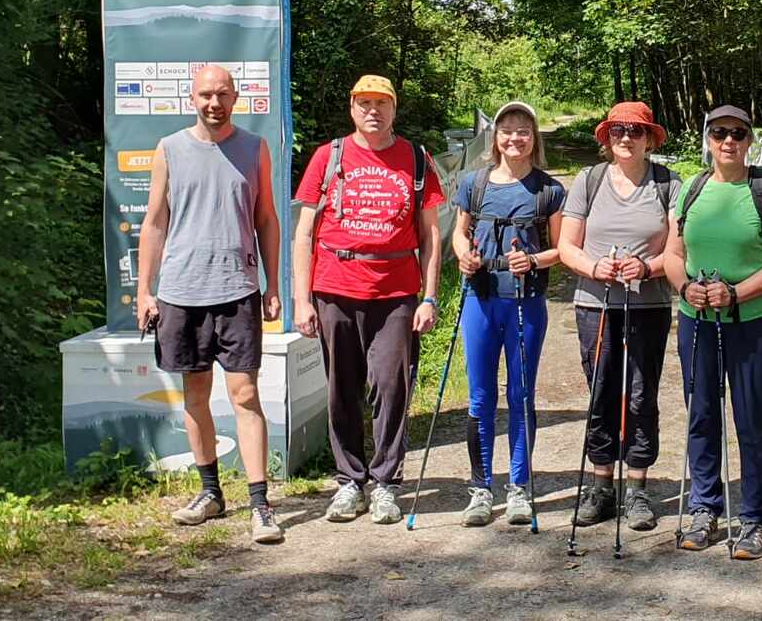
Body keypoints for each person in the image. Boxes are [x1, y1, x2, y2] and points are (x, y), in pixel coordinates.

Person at [134, 65, 284, 545]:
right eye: (205, 94)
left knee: (245, 396)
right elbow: (155, 221)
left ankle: (260, 505)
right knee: (195, 396)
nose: (214, 102)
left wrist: (273, 284)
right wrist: (144, 289)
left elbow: (266, 218)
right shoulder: (169, 149)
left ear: (236, 97)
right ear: (191, 98)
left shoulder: (254, 148)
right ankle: (210, 493)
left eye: (222, 93)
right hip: (180, 293)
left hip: (238, 289)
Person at [292, 75, 444, 525]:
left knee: (391, 386)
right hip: (334, 287)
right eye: (364, 103)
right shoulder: (328, 156)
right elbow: (304, 233)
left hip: (396, 292)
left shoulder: (415, 159)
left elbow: (431, 235)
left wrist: (429, 297)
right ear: (352, 108)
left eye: (381, 103)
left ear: (394, 108)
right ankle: (348, 482)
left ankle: (386, 483)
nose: (372, 111)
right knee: (342, 388)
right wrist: (302, 299)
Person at [663, 105, 762, 560]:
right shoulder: (690, 190)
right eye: (719, 132)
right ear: (708, 138)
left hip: (751, 322)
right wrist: (685, 286)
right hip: (697, 320)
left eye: (738, 134)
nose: (728, 141)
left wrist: (736, 293)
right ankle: (705, 508)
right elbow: (671, 253)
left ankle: (755, 518)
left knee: (750, 420)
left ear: (749, 141)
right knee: (701, 413)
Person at [558, 102, 681, 530]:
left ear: (650, 138)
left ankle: (639, 488)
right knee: (601, 392)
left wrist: (648, 267)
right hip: (596, 304)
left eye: (635, 131)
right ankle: (601, 484)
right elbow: (567, 246)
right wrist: (594, 267)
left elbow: (679, 251)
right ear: (607, 139)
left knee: (642, 394)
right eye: (616, 132)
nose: (625, 138)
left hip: (649, 305)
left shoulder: (668, 183)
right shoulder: (589, 181)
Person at [451, 101, 565, 527]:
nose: (514, 138)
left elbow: (563, 249)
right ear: (495, 137)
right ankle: (481, 489)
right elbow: (460, 235)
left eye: (523, 131)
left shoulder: (548, 190)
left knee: (520, 395)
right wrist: (465, 258)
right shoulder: (474, 184)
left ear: (534, 138)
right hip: (480, 299)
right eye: (507, 130)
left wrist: (534, 261)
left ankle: (519, 488)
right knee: (480, 397)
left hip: (525, 301)